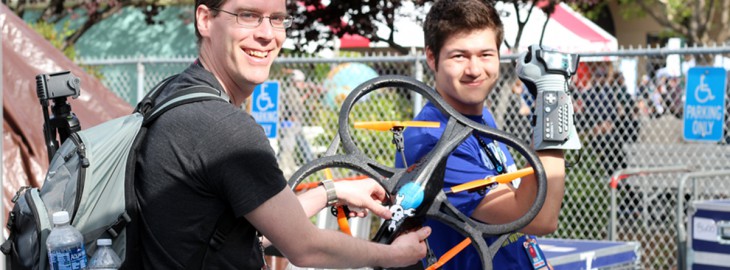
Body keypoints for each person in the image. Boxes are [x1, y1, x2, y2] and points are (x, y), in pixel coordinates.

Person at [135, 0, 430, 269]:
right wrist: (394, 255)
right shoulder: (224, 128)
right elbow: (305, 247)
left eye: (277, 19)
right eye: (248, 15)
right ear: (205, 20)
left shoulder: (171, 94)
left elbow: (253, 230)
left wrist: (333, 191)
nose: (267, 34)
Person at [395, 0, 572, 269]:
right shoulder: (431, 139)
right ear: (432, 57)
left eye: (486, 54)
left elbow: (521, 200)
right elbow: (537, 217)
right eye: (459, 56)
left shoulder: (477, 117)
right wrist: (552, 112)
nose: (475, 70)